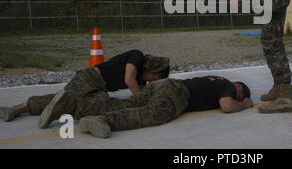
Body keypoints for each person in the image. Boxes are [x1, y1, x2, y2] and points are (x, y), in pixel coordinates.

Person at [0, 49, 170, 126]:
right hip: (90, 77)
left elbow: (140, 91)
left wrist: (147, 96)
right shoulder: (137, 56)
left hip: (97, 88)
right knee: (87, 103)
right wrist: (143, 101)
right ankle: (56, 110)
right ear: (153, 69)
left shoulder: (140, 81)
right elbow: (128, 79)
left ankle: (19, 108)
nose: (150, 82)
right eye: (154, 78)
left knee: (71, 98)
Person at [65, 76, 251, 139]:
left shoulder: (216, 80)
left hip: (163, 85)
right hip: (178, 92)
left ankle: (74, 107)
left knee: (127, 102)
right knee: (154, 114)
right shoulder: (229, 86)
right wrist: (243, 105)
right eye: (240, 96)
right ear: (239, 88)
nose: (237, 99)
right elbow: (227, 106)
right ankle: (103, 120)